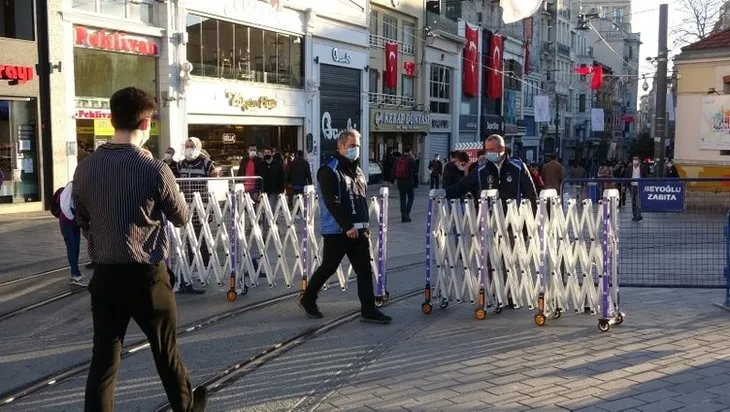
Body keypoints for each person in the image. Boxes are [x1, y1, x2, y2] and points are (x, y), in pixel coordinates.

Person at [72, 87, 206, 412]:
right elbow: (182, 217)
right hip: (147, 277)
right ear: (146, 123)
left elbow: (82, 219)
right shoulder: (155, 169)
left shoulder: (85, 168)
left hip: (104, 277)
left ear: (111, 119)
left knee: (104, 360)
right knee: (166, 352)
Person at [299, 129, 392, 324]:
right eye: (352, 146)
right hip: (338, 230)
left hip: (359, 230)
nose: (356, 149)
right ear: (341, 146)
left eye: (358, 146)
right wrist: (347, 226)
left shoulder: (357, 170)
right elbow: (332, 202)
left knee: (364, 270)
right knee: (329, 267)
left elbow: (359, 199)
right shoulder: (329, 170)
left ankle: (368, 310)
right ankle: (308, 298)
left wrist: (363, 226)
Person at [445, 134, 537, 213]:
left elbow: (530, 193)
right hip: (489, 221)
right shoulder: (481, 170)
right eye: (487, 150)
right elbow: (462, 186)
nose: (489, 153)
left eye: (492, 149)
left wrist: (531, 218)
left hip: (513, 220)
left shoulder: (518, 167)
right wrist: (444, 193)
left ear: (502, 149)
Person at [178, 137, 218, 293]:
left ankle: (206, 267)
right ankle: (193, 265)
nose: (189, 148)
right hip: (186, 205)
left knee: (202, 237)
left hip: (202, 206)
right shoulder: (181, 164)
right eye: (187, 146)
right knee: (189, 237)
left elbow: (214, 180)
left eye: (192, 146)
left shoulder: (206, 163)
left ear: (198, 147)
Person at [52, 181, 87, 286]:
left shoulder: (83, 185)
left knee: (76, 247)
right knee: (72, 247)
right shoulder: (71, 186)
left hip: (75, 222)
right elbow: (64, 204)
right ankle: (76, 274)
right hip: (67, 222)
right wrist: (73, 218)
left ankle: (74, 273)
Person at [393, 147, 418, 223]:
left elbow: (394, 170)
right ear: (410, 152)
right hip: (408, 181)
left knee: (402, 198)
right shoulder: (410, 160)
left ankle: (403, 216)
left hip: (400, 182)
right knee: (411, 197)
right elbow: (416, 169)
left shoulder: (398, 160)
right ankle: (407, 214)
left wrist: (393, 180)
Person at [624, 154, 647, 221]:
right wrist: (625, 186)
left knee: (638, 201)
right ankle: (634, 215)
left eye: (636, 159)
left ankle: (639, 215)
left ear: (639, 160)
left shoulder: (642, 167)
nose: (635, 160)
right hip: (632, 186)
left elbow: (645, 176)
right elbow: (626, 176)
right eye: (634, 159)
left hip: (640, 186)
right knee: (633, 201)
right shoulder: (629, 167)